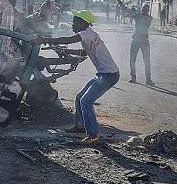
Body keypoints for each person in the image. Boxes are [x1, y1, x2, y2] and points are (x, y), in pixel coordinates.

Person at [32, 10, 120, 145]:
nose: (72, 25)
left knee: (86, 100)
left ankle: (93, 136)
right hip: (103, 74)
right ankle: (80, 126)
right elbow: (84, 52)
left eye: (75, 22)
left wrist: (44, 40)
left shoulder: (86, 34)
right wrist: (65, 51)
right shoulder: (89, 35)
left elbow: (68, 40)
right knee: (80, 97)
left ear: (83, 23)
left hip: (110, 75)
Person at [116, 0, 154, 85]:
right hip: (138, 41)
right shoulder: (143, 17)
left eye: (146, 8)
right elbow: (126, 10)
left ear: (147, 10)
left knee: (145, 61)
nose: (144, 9)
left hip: (143, 41)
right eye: (144, 8)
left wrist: (120, 2)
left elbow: (127, 10)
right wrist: (120, 2)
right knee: (135, 60)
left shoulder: (141, 17)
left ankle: (146, 79)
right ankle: (136, 77)